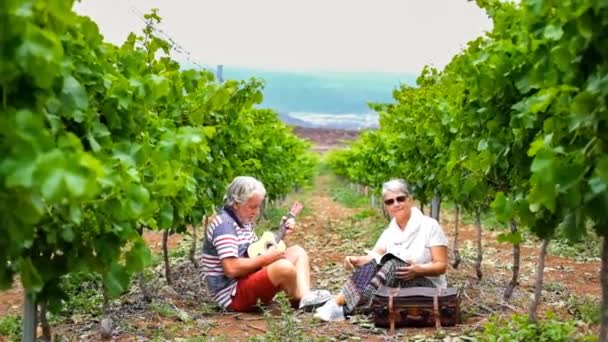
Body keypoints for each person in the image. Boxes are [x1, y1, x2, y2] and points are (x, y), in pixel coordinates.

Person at [314, 178, 449, 322]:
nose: (396, 204)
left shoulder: (429, 226)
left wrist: (418, 270)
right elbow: (373, 257)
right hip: (399, 285)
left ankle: (340, 306)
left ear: (410, 200)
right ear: (386, 206)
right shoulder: (390, 231)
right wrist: (356, 260)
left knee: (393, 264)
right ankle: (339, 305)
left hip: (426, 286)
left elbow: (441, 266)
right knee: (374, 264)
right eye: (390, 201)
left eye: (400, 199)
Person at [202, 176, 330, 312]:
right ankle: (299, 303)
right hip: (232, 296)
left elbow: (253, 252)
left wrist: (281, 232)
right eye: (252, 207)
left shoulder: (242, 221)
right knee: (284, 267)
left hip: (246, 278)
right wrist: (267, 258)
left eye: (258, 207)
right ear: (235, 203)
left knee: (297, 252)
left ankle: (305, 297)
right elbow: (231, 268)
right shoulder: (225, 226)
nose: (256, 212)